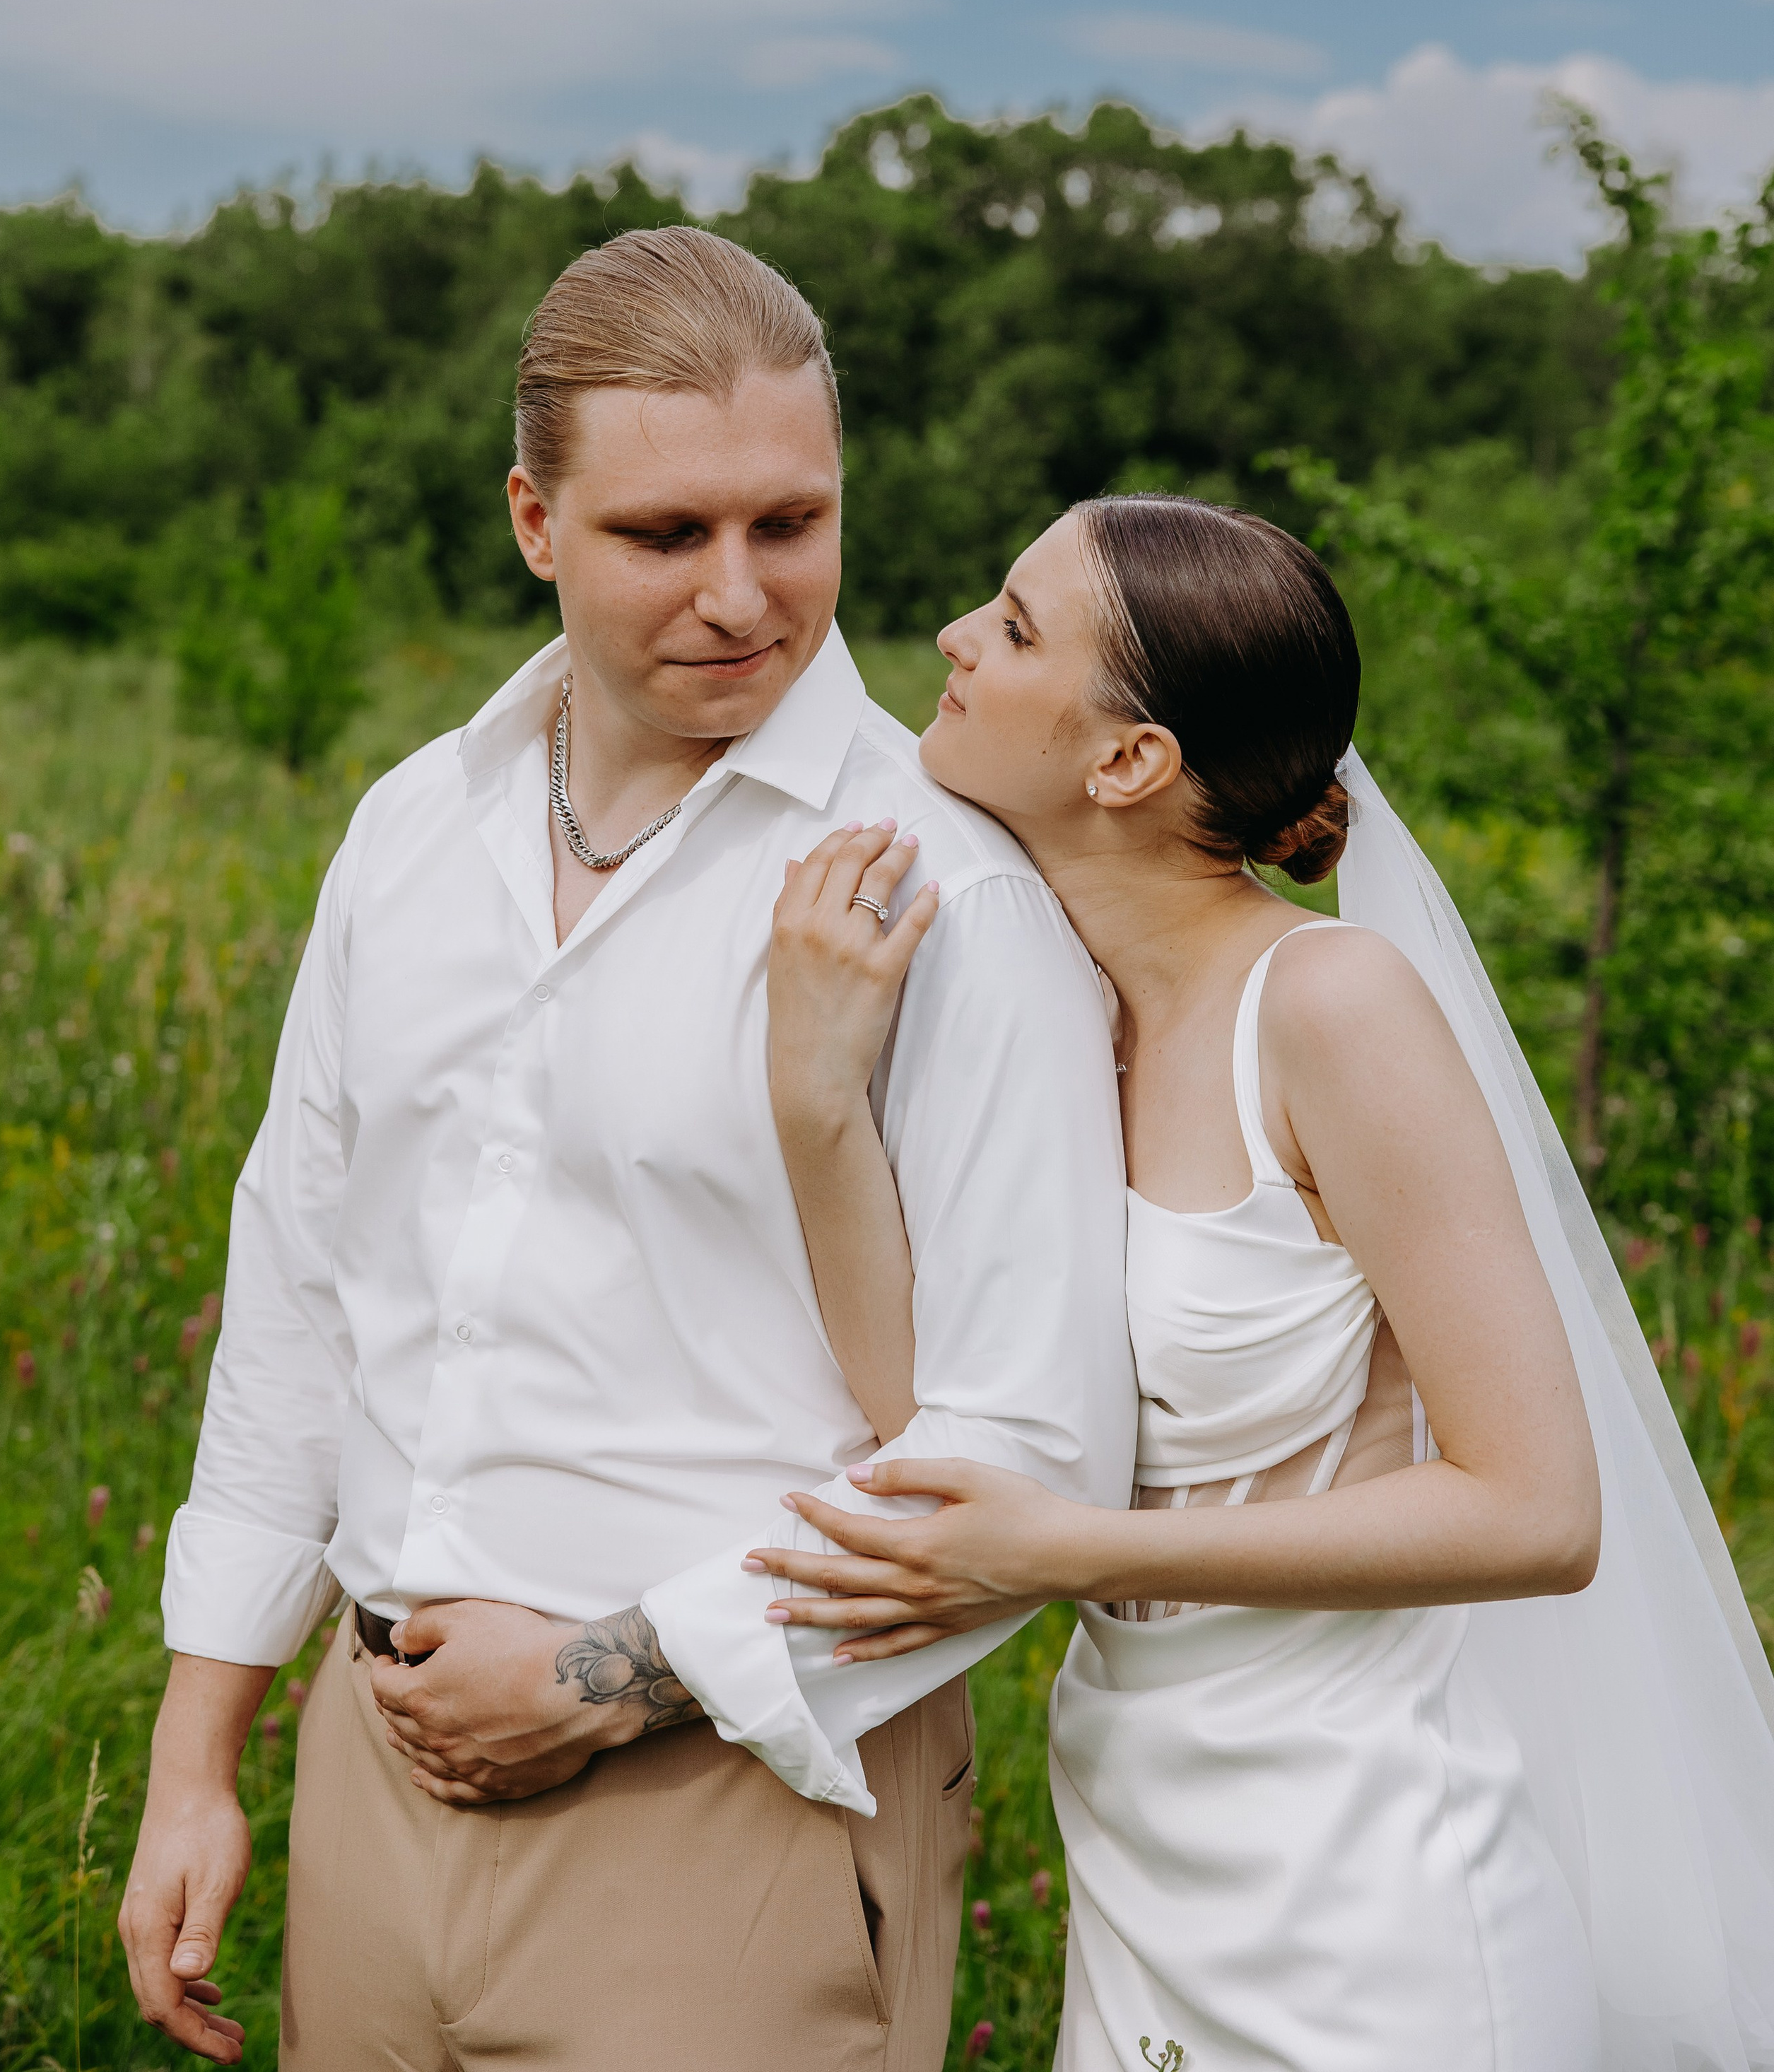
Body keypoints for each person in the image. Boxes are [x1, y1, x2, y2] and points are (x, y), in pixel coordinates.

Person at [116, 228, 1137, 2071]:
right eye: (666, 534)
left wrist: (602, 1679)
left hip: (739, 1808)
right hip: (371, 1770)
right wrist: (201, 1756)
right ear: (534, 520)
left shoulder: (950, 892)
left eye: (790, 522)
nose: (742, 594)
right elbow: (300, 1290)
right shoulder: (412, 830)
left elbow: (1030, 1447)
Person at [752, 493, 1774, 2072]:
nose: (953, 638)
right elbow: (932, 1429)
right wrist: (818, 1103)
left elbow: (1537, 1511)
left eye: (1013, 627)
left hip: (1372, 1883)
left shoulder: (1327, 1007)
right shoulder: (1053, 1011)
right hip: (1142, 1838)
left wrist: (1069, 1547)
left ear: (1128, 761)